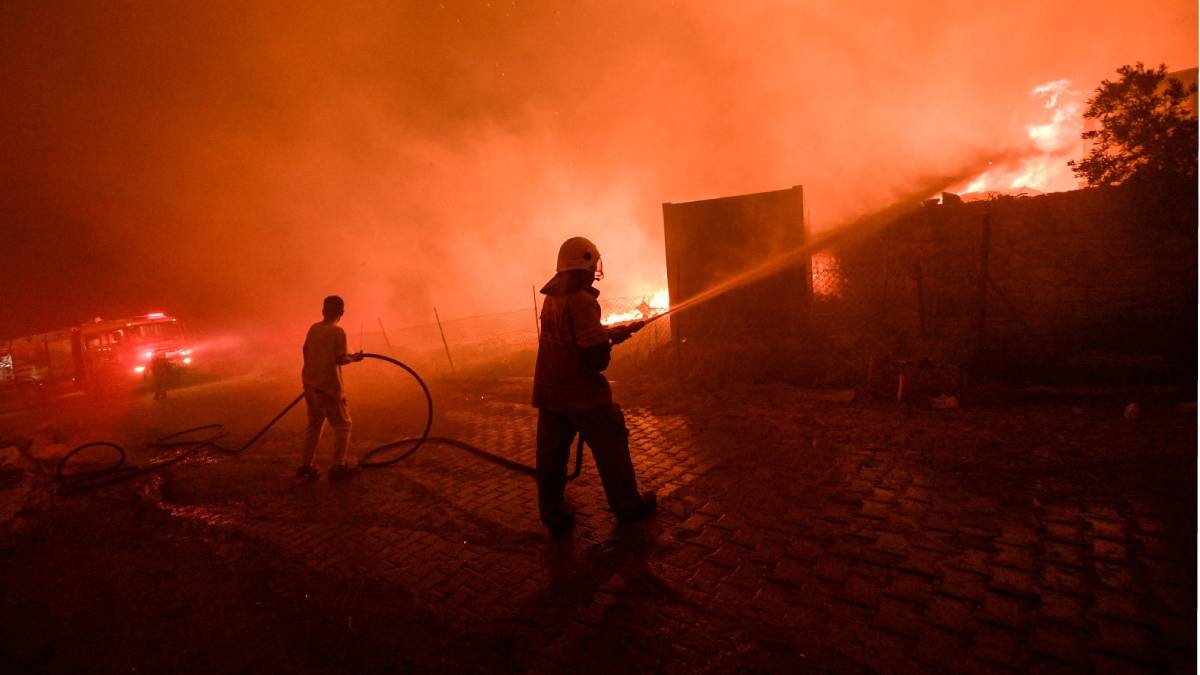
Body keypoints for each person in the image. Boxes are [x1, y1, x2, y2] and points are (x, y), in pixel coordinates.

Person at [533, 236, 656, 537]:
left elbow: (573, 337)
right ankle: (628, 506)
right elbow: (595, 359)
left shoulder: (553, 298)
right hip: (583, 397)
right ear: (584, 264)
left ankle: (553, 516)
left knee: (551, 458)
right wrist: (606, 344)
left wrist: (609, 332)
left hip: (550, 392)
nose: (594, 271)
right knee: (612, 443)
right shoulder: (582, 300)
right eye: (592, 265)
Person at [298, 295, 364, 481]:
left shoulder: (314, 329)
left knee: (314, 426)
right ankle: (338, 466)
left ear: (323, 311)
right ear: (341, 313)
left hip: (311, 385)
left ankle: (305, 465)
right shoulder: (338, 332)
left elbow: (307, 352)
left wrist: (313, 376)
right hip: (329, 387)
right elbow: (340, 359)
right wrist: (353, 358)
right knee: (343, 425)